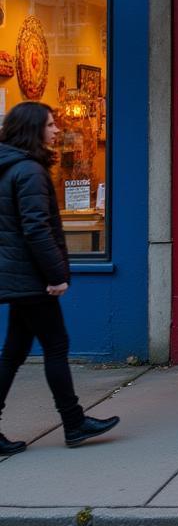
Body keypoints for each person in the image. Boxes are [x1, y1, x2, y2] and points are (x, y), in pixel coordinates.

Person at [0, 102, 119, 453]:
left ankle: (74, 421)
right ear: (33, 129)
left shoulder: (9, 167)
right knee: (55, 346)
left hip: (19, 276)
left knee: (13, 353)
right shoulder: (29, 171)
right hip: (31, 278)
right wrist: (56, 275)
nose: (56, 130)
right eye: (50, 125)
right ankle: (74, 422)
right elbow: (37, 229)